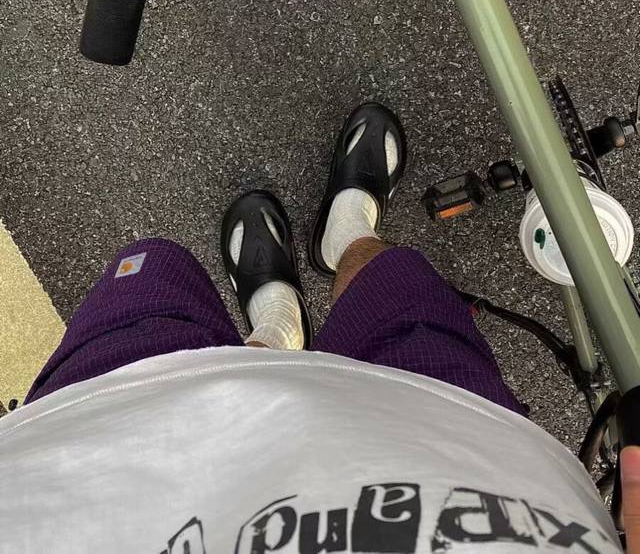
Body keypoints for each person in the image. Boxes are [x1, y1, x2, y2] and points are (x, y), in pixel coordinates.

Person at [1, 102, 638, 553]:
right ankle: (346, 237)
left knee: (151, 272)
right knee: (395, 284)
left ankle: (277, 333)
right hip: (470, 458)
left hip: (80, 457)